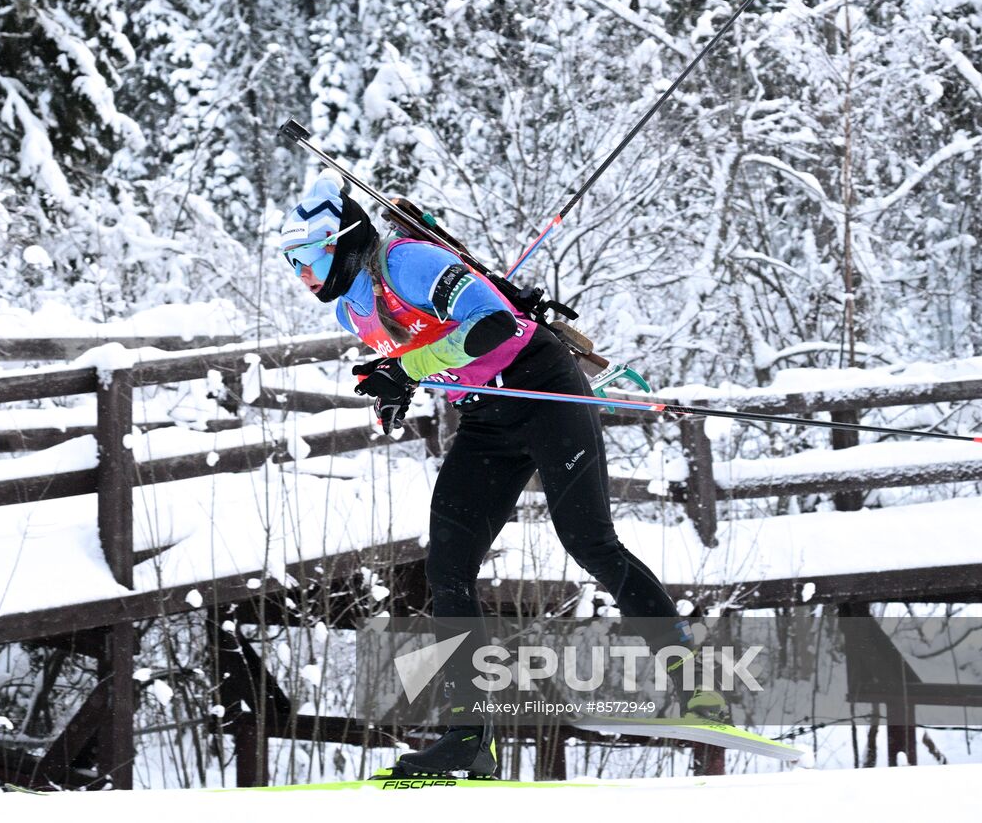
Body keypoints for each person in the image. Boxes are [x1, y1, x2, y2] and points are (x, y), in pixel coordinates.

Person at [278, 171, 721, 777]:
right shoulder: (351, 309)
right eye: (294, 265)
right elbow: (423, 354)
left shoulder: (408, 261)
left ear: (342, 241)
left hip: (544, 391)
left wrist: (408, 371)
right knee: (447, 566)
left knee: (589, 543)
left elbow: (496, 327)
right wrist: (396, 389)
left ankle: (694, 680)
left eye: (307, 260)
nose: (303, 278)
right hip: (485, 418)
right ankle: (469, 734)